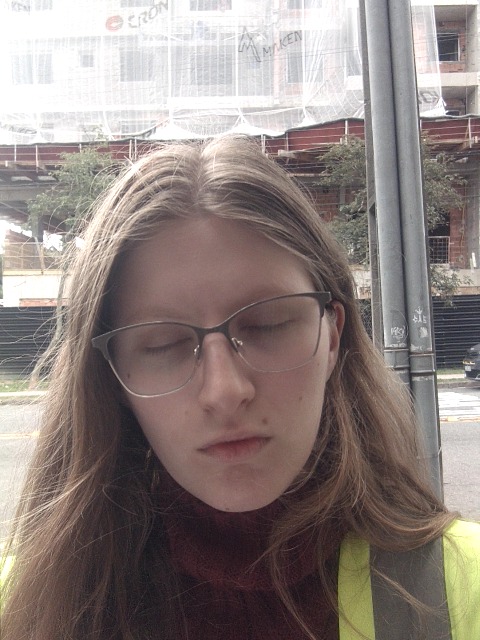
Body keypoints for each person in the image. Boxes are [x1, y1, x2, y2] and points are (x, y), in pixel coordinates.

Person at [1, 136, 479, 640]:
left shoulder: (462, 587)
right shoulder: (21, 605)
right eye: (162, 345)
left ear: (333, 336)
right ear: (111, 377)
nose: (225, 391)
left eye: (269, 325)